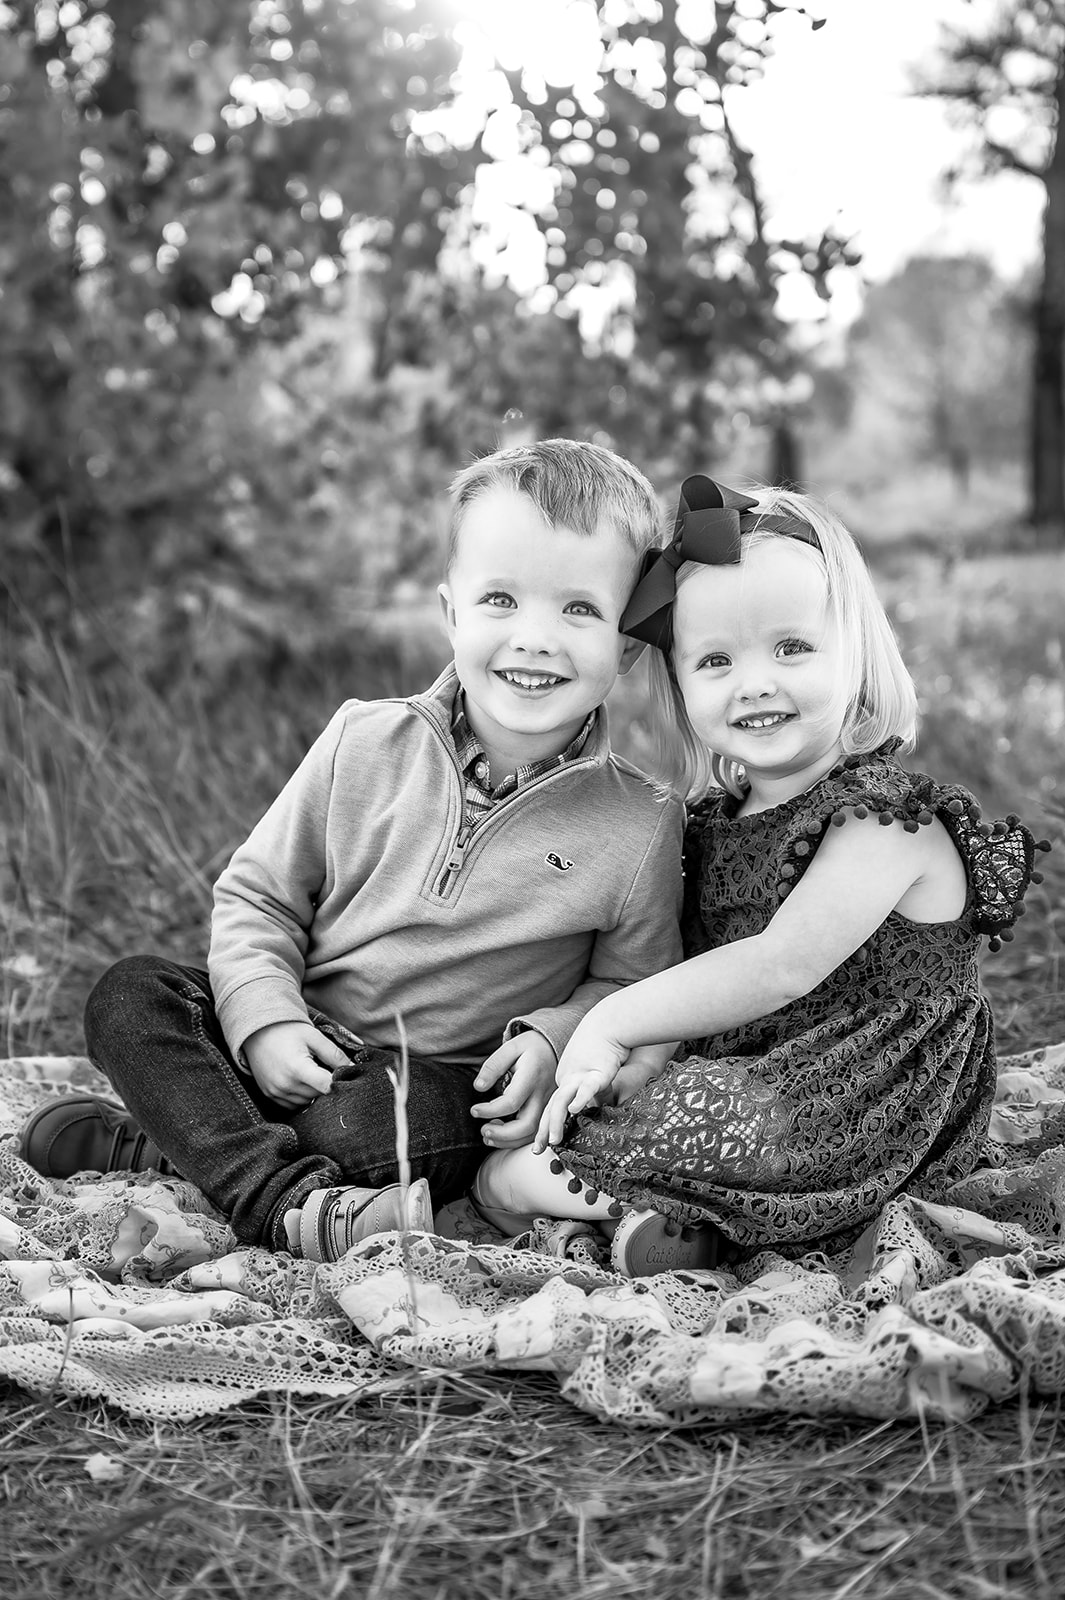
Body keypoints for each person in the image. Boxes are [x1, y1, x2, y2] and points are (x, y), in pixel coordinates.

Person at [18, 439, 687, 1264]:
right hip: (297, 1035)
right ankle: (283, 1199)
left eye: (578, 610)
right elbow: (260, 898)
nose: (535, 638)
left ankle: (186, 1147)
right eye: (500, 599)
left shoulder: (639, 821)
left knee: (364, 1128)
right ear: (451, 613)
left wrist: (551, 1040)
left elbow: (633, 989)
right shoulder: (362, 740)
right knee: (129, 996)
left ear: (626, 644)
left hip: (432, 1082)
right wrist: (265, 1019)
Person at [471, 473, 1048, 1269]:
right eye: (715, 660)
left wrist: (613, 1023)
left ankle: (666, 1207)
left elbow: (778, 966)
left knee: (525, 1175)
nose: (754, 683)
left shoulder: (882, 821)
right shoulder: (715, 820)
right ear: (679, 684)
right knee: (584, 1122)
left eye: (791, 648)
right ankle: (680, 1221)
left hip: (868, 1104)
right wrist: (643, 1058)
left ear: (854, 650)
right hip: (756, 1081)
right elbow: (699, 976)